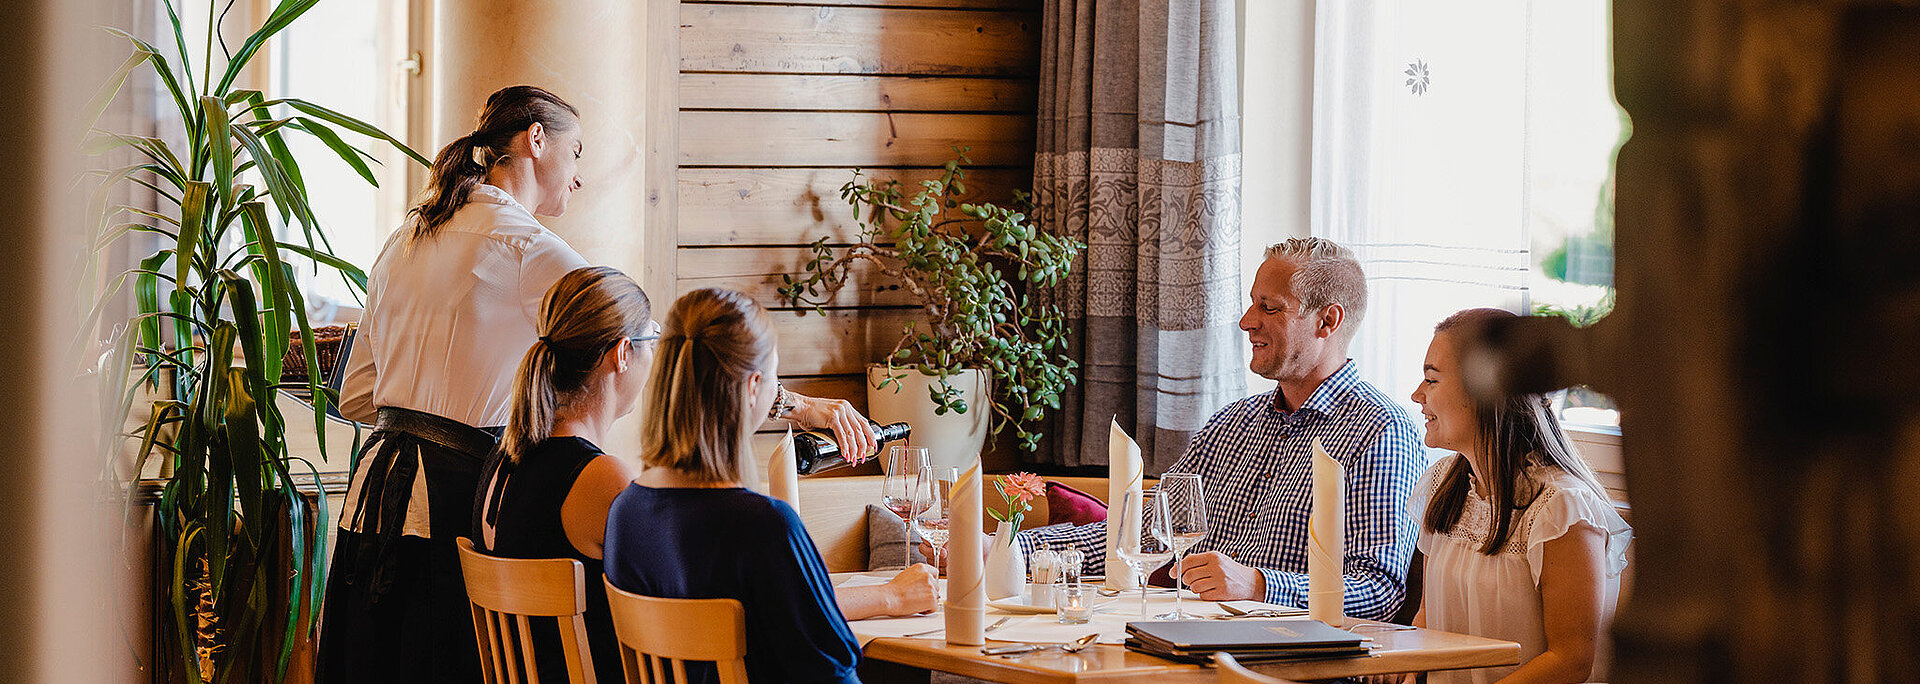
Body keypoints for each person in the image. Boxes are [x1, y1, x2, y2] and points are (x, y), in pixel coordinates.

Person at [320, 85, 881, 683]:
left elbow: (357, 394)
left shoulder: (404, 239)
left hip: (371, 499)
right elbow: (666, 347)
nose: (580, 176)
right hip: (447, 498)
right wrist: (796, 407)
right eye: (578, 151)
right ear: (538, 140)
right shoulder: (528, 248)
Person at [473, 268, 936, 683]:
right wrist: (889, 598)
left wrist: (800, 408)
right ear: (621, 355)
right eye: (648, 340)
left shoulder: (592, 489)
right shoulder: (613, 487)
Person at [1011, 237, 1426, 620]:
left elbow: (1380, 591)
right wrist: (1010, 549)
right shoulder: (1230, 423)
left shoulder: (1381, 431)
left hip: (1288, 660)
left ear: (1326, 321)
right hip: (1191, 642)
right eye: (1252, 304)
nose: (1247, 322)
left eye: (1269, 307)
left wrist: (1259, 585)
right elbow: (1140, 535)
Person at [603, 288, 865, 684]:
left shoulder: (625, 513)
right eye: (775, 375)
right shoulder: (765, 527)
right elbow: (834, 673)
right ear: (754, 385)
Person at [1406, 308, 1631, 684]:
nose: (1417, 395)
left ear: (1484, 390)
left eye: (1431, 380)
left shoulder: (1562, 507)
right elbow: (1428, 616)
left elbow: (1571, 660)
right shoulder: (1442, 484)